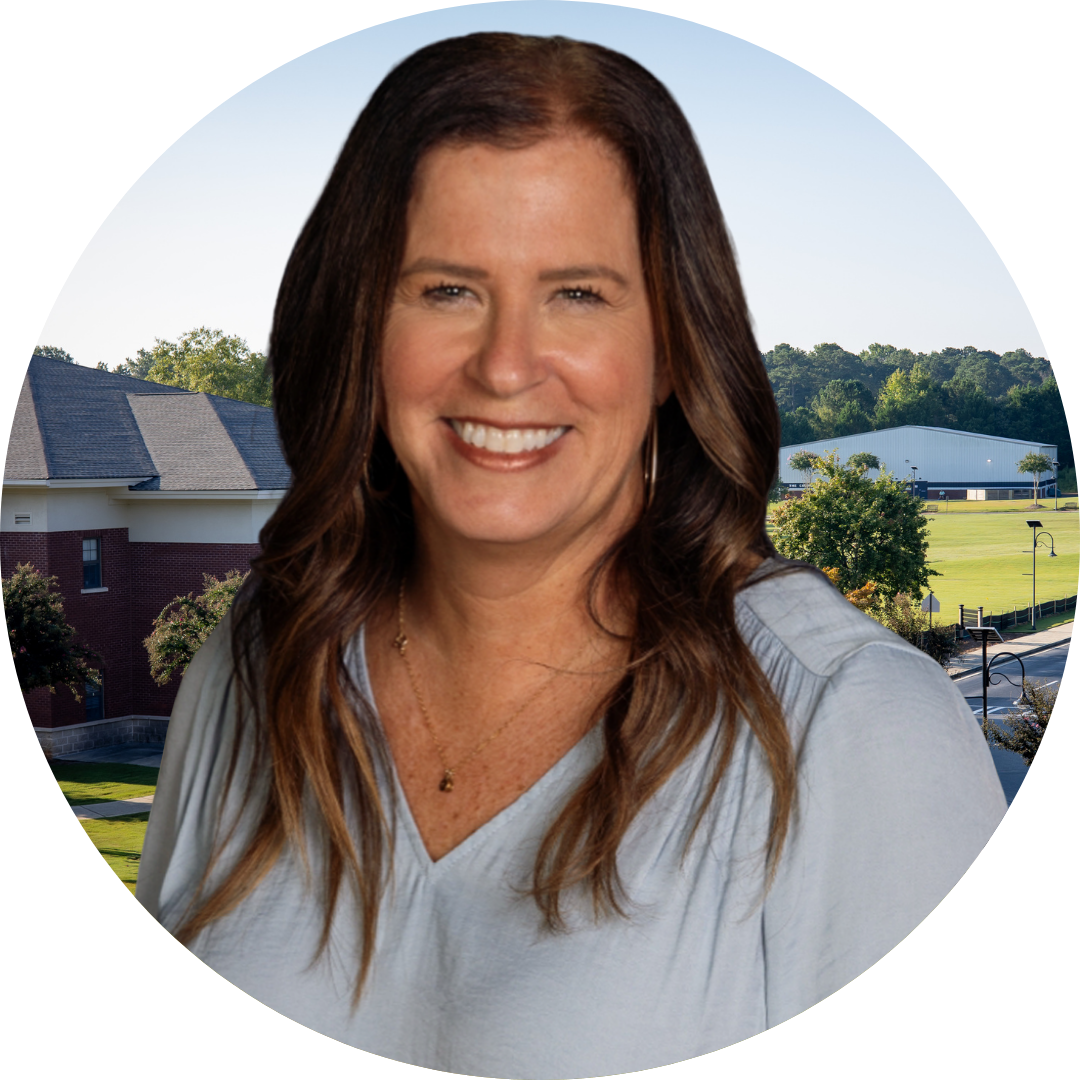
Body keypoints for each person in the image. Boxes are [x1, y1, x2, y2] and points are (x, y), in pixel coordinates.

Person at [136, 33, 1006, 1075]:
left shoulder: (849, 724)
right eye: (447, 289)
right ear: (360, 325)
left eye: (579, 294)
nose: (506, 367)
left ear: (675, 346)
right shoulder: (259, 659)